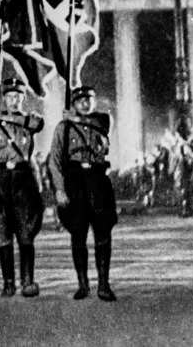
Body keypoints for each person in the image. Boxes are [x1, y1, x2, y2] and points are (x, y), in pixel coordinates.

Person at [47, 86, 117, 302]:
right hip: (75, 182)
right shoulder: (63, 128)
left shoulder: (103, 120)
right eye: (80, 101)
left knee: (103, 233)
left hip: (98, 180)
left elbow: (102, 127)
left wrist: (75, 119)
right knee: (78, 234)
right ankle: (83, 284)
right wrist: (59, 188)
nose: (85, 104)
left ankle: (103, 284)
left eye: (89, 100)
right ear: (74, 103)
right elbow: (55, 160)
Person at [0, 78, 44, 297]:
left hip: (23, 179)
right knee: (3, 232)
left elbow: (38, 125)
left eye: (17, 96)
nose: (13, 100)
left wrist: (5, 117)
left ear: (23, 98)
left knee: (26, 231)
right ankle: (8, 282)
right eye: (9, 96)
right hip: (1, 179)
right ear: (4, 98)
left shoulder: (30, 119)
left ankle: (28, 280)